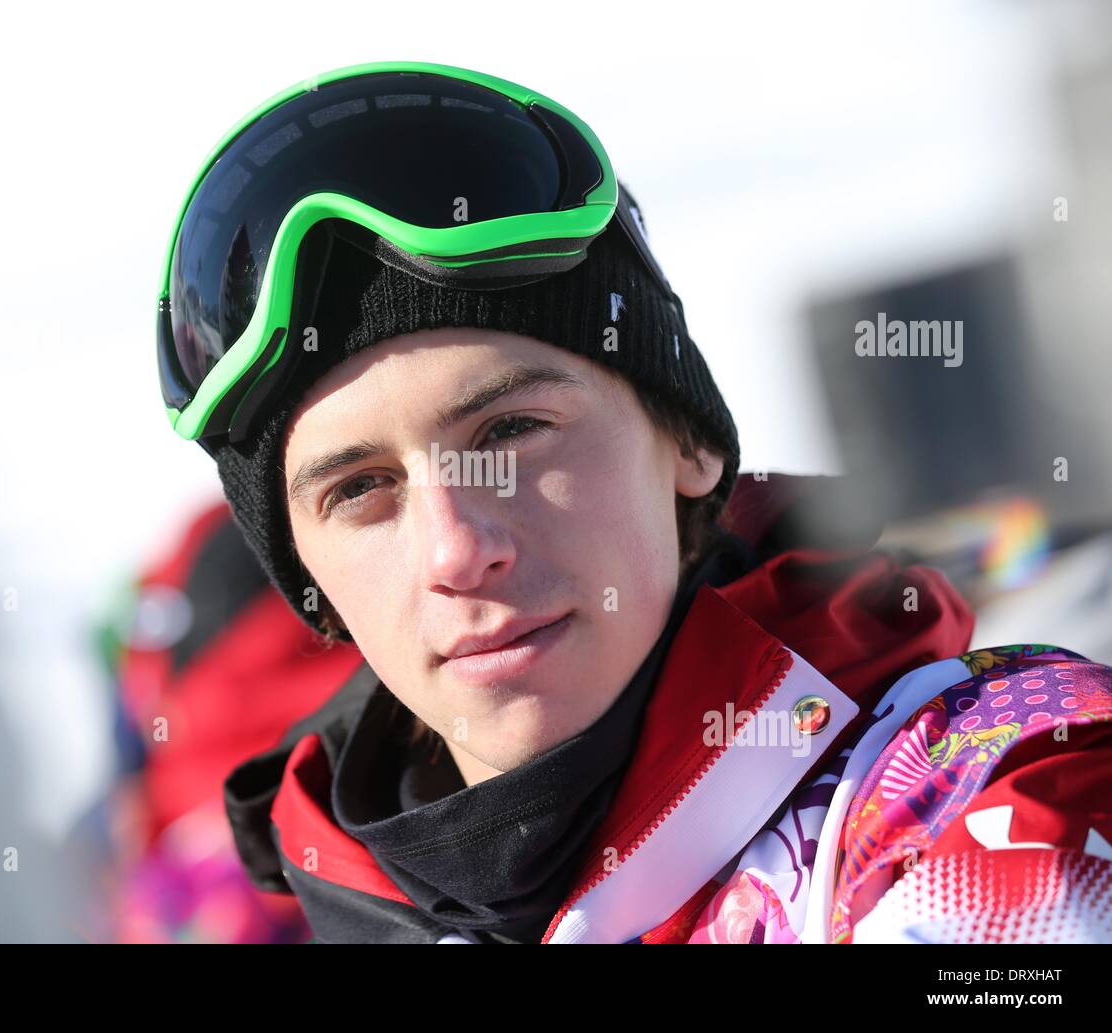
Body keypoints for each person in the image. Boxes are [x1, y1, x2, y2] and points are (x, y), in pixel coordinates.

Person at [153, 61, 1112, 943]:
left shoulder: (997, 791)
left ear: (688, 441)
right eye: (361, 489)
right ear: (309, 579)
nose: (455, 548)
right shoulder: (305, 901)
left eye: (510, 431)